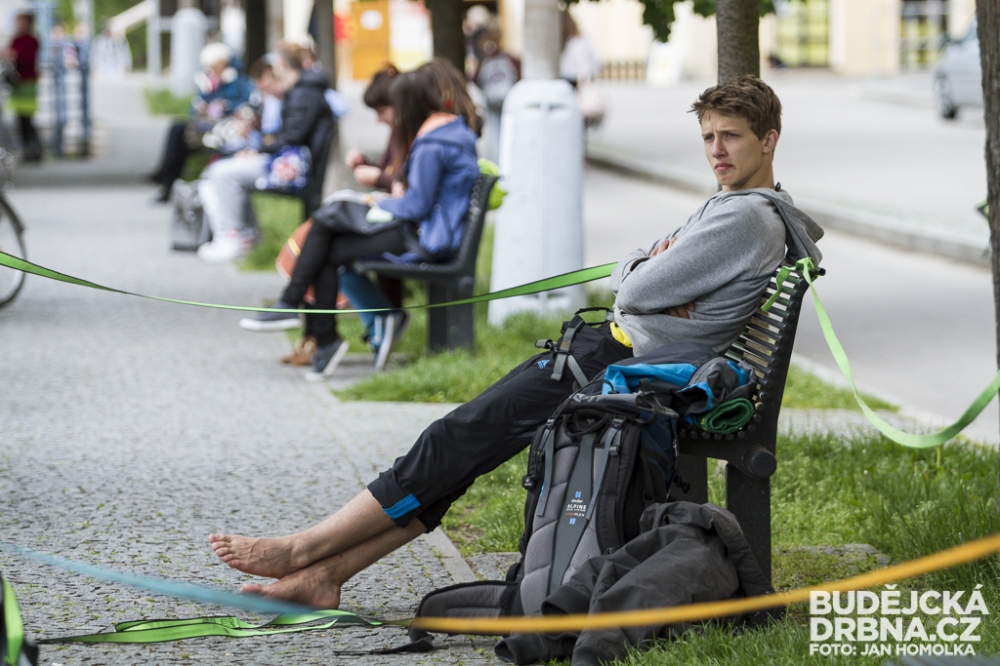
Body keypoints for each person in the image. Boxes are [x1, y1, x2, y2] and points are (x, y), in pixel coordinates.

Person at [209, 75, 824, 609]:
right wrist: (646, 268)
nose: (716, 150)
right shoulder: (733, 204)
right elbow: (641, 274)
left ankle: (304, 550)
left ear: (769, 139)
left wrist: (645, 271)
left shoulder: (744, 216)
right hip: (610, 355)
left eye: (731, 136)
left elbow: (635, 288)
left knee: (454, 438)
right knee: (462, 445)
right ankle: (325, 576)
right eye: (709, 136)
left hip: (618, 367)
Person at [238, 65, 480, 379]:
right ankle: (314, 328)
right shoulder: (447, 133)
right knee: (328, 237)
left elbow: (416, 206)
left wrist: (378, 201)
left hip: (425, 238)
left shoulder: (433, 143)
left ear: (407, 106)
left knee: (326, 225)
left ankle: (305, 319)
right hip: (428, 231)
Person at [196, 44, 333, 263]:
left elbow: (292, 136)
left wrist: (257, 150)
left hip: (294, 169)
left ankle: (234, 236)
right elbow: (291, 133)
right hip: (294, 162)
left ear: (283, 64)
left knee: (222, 173)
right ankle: (247, 234)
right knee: (221, 169)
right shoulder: (304, 90)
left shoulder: (304, 93)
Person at [147, 43, 254, 203]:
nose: (211, 70)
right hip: (206, 125)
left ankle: (164, 178)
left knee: (179, 136)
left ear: (224, 63)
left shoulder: (239, 82)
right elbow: (195, 107)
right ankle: (166, 180)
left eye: (214, 66)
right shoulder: (209, 82)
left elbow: (246, 105)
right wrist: (201, 107)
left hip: (225, 129)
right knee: (178, 129)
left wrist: (225, 106)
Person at [6, 12, 40, 162]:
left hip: (27, 81)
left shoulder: (32, 40)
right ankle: (27, 148)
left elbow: (29, 59)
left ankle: (34, 149)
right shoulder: (16, 39)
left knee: (27, 118)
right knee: (20, 118)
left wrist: (15, 55)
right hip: (17, 82)